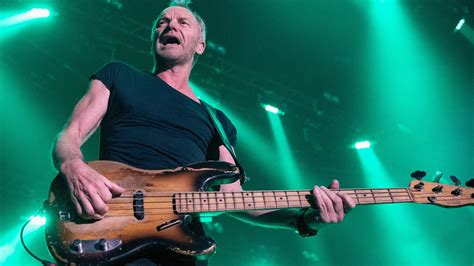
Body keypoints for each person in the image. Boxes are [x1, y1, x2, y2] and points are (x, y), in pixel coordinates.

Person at [52, 3, 356, 265]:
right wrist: (73, 166)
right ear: (154, 39)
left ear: (200, 44)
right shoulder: (119, 74)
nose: (170, 24)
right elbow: (70, 135)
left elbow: (235, 200)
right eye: (162, 22)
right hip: (107, 227)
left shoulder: (218, 121)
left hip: (178, 250)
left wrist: (304, 219)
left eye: (183, 21)